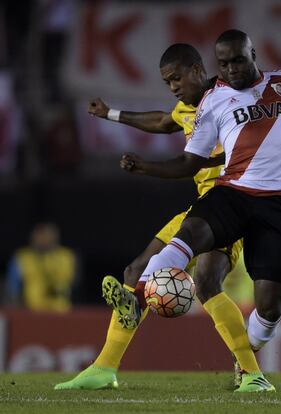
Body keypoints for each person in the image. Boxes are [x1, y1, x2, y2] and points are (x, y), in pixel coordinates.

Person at [55, 43, 262, 392]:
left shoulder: (229, 98)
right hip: (203, 208)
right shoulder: (186, 108)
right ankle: (104, 368)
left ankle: (252, 373)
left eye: (177, 78)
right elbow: (164, 120)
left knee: (208, 282)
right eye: (168, 82)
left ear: (198, 69)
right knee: (136, 272)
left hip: (233, 204)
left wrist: (171, 163)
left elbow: (230, 151)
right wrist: (111, 114)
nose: (174, 87)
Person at [116, 29, 281, 393]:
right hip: (232, 190)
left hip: (278, 202)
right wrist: (146, 166)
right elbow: (189, 161)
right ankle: (138, 291)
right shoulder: (212, 102)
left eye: (238, 60)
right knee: (192, 231)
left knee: (269, 309)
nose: (231, 69)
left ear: (253, 54)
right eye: (224, 63)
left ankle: (248, 355)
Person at [5, 222, 79, 312]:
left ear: (55, 237)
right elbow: (12, 289)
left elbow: (77, 287)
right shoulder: (22, 258)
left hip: (62, 312)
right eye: (39, 236)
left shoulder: (67, 257)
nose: (43, 239)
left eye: (46, 235)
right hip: (32, 312)